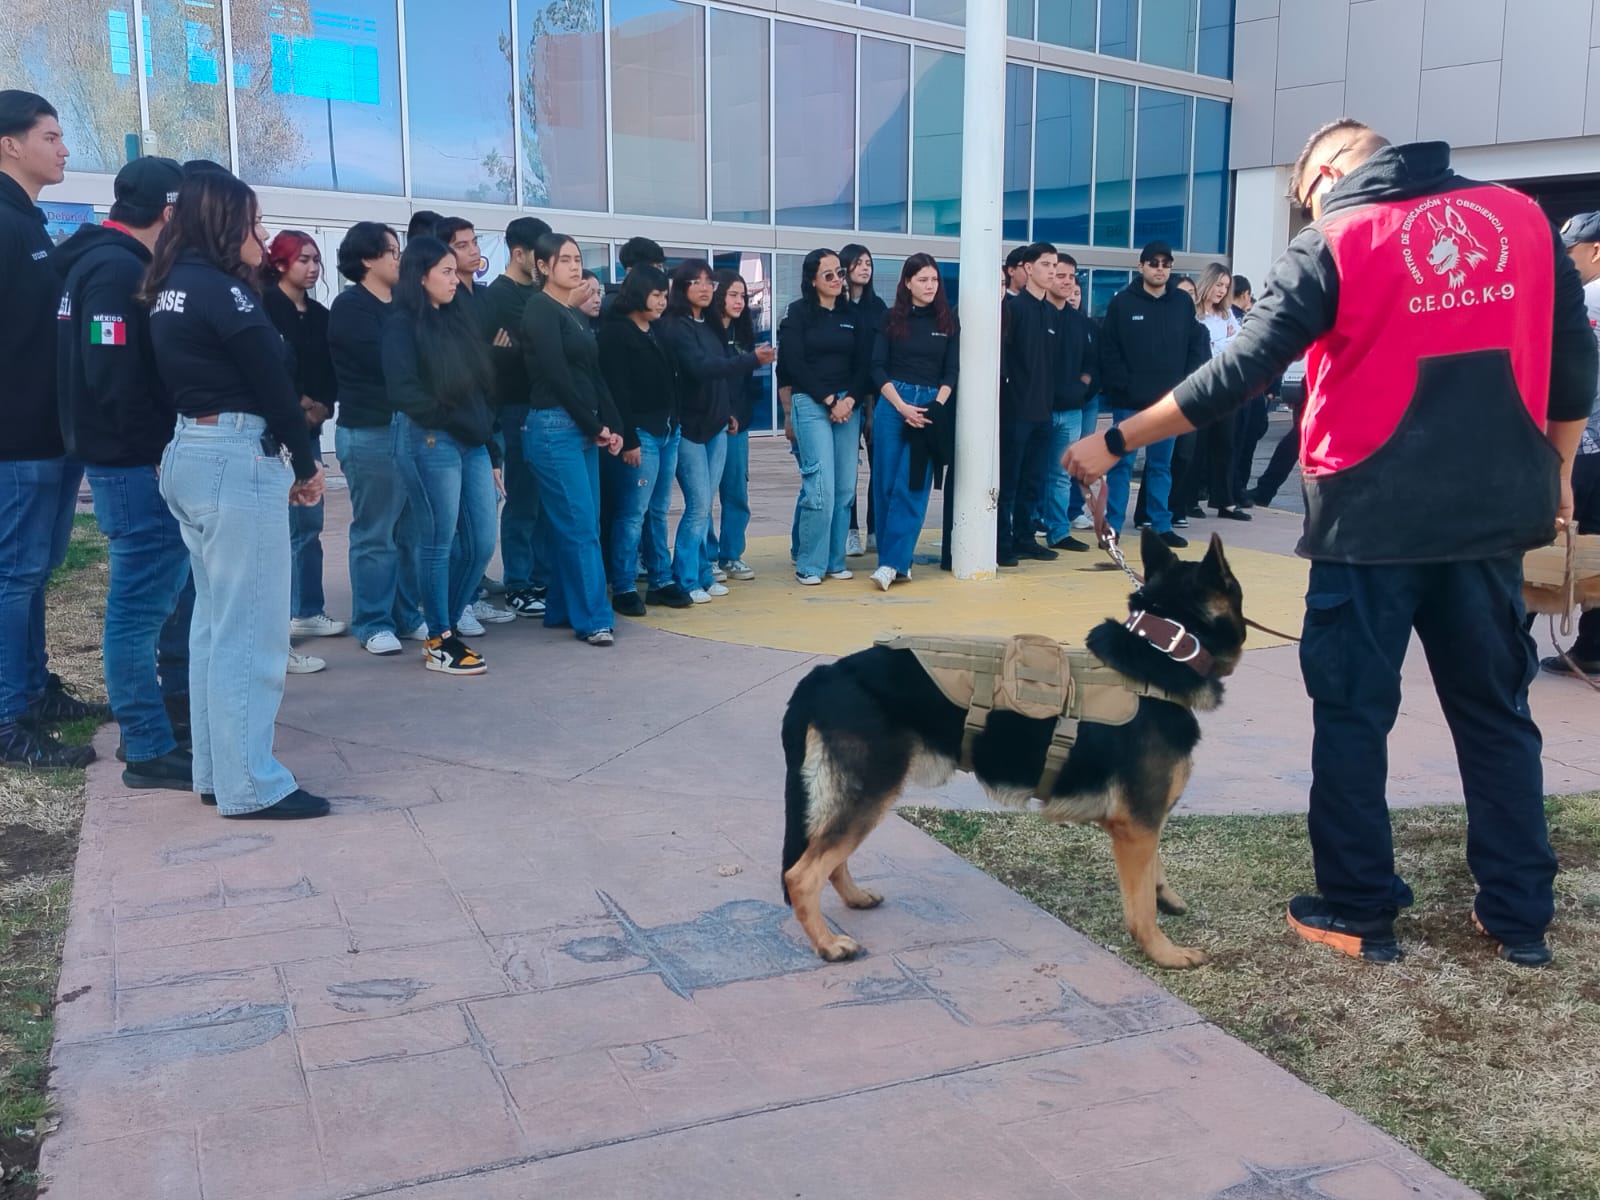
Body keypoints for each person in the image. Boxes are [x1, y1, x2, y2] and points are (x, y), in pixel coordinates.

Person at [1065, 119, 1597, 967]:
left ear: (1331, 169)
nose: (1307, 203)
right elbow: (1574, 366)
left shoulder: (1337, 238)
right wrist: (1560, 468)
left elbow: (1239, 375)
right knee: (1498, 718)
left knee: (1353, 717)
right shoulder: (1523, 219)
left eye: (1305, 189)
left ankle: (1355, 909)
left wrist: (1118, 439)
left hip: (1368, 520)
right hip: (1493, 517)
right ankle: (1519, 913)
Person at [144, 169, 328, 819]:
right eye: (253, 222)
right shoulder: (225, 292)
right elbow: (274, 386)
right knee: (250, 632)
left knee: (216, 629)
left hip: (192, 453)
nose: (263, 234)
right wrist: (307, 465)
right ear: (225, 222)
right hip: (233, 458)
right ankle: (251, 785)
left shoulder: (172, 286)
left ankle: (218, 775)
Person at [54, 155, 191, 788]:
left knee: (152, 604)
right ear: (169, 212)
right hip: (133, 466)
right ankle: (145, 745)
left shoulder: (109, 262)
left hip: (128, 460)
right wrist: (158, 451)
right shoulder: (114, 271)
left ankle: (159, 726)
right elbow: (112, 378)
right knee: (137, 611)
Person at [0, 90, 109, 770]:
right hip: (17, 440)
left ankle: (34, 691)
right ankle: (9, 717)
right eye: (51, 135)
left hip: (51, 435)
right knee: (14, 575)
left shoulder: (28, 222)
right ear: (10, 143)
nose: (65, 148)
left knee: (34, 573)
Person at [383, 236, 502, 675]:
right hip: (429, 441)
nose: (456, 279)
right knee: (437, 543)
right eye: (446, 272)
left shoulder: (456, 320)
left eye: (456, 271)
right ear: (421, 275)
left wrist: (488, 445)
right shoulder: (401, 324)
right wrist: (449, 418)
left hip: (471, 442)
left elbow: (479, 386)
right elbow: (404, 391)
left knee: (482, 541)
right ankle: (439, 638)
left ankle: (445, 625)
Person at [521, 232, 624, 646]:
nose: (574, 265)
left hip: (581, 429)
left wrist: (612, 425)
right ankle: (595, 618)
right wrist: (592, 425)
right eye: (564, 259)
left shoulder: (575, 313)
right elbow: (557, 376)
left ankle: (564, 609)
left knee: (580, 525)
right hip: (554, 429)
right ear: (543, 267)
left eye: (577, 258)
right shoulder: (539, 310)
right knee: (580, 526)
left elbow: (592, 374)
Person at [329, 222, 425, 657]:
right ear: (366, 258)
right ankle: (372, 621)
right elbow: (388, 361)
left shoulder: (404, 306)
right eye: (390, 250)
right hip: (370, 430)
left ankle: (407, 615)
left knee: (410, 531)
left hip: (408, 429)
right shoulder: (351, 306)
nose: (398, 258)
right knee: (376, 532)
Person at [658, 259, 773, 603]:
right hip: (690, 429)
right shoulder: (675, 326)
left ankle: (705, 574)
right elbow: (702, 369)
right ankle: (686, 578)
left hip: (717, 426)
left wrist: (728, 413)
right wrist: (753, 359)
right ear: (682, 287)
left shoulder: (710, 326)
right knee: (697, 507)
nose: (706, 288)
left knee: (706, 505)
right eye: (697, 282)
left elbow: (723, 375)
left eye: (709, 282)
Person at [262, 231, 347, 666]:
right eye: (303, 260)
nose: (312, 268)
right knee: (278, 528)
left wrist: (320, 407)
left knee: (309, 523)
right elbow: (267, 369)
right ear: (280, 264)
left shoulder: (320, 314)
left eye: (316, 260)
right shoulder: (263, 306)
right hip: (273, 432)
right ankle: (280, 621)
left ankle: (308, 608)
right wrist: (295, 405)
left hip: (311, 428)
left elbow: (329, 370)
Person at [1096, 240, 1209, 548]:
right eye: (1154, 263)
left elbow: (1194, 347)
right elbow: (1109, 349)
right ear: (1141, 266)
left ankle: (1161, 525)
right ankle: (1113, 527)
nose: (1160, 268)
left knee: (1161, 466)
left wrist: (1186, 386)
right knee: (1121, 466)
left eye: (1166, 264)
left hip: (1168, 405)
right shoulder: (1122, 303)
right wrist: (1123, 386)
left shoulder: (1182, 304)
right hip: (1129, 404)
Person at [868, 253, 958, 590]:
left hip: (932, 405)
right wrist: (902, 406)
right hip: (894, 402)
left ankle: (894, 563)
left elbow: (952, 371)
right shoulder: (890, 318)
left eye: (934, 279)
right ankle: (893, 562)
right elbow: (877, 367)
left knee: (914, 486)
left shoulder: (948, 321)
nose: (930, 285)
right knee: (887, 484)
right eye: (922, 279)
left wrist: (936, 406)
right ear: (907, 282)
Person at [778, 249, 868, 586]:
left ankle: (834, 560)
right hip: (813, 404)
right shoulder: (798, 314)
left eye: (840, 273)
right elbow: (793, 363)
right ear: (812, 279)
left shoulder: (852, 316)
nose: (836, 280)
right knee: (820, 489)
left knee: (845, 489)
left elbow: (863, 364)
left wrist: (850, 400)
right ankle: (810, 563)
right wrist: (830, 400)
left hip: (848, 406)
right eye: (828, 274)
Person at [597, 265, 684, 615]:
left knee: (659, 511)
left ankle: (661, 580)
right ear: (637, 294)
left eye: (665, 295)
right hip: (641, 434)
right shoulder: (615, 334)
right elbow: (616, 391)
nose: (663, 302)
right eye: (657, 295)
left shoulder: (658, 331)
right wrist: (629, 438)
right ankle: (623, 585)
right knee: (632, 513)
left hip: (668, 430)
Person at [484, 216, 552, 619]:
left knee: (543, 500)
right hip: (514, 408)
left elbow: (540, 343)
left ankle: (540, 577)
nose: (546, 264)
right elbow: (536, 346)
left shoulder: (539, 296)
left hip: (542, 407)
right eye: (540, 256)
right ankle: (519, 584)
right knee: (523, 498)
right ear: (519, 253)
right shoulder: (501, 295)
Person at [1545, 211, 1600, 677]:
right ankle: (1594, 646)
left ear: (1595, 250)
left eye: (1568, 252)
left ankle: (1504, 641)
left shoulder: (1581, 299)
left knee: (1551, 533)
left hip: (1584, 445)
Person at [998, 242, 1061, 566]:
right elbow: (1002, 360)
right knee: (1008, 480)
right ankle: (1002, 542)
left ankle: (1025, 538)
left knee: (1033, 480)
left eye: (1055, 265)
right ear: (1028, 267)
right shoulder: (1014, 309)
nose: (1052, 271)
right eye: (1047, 264)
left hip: (1042, 412)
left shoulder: (1050, 312)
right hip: (1015, 412)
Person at [1182, 262, 1249, 521]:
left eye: (1226, 286)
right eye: (1218, 284)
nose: (1221, 290)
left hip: (1225, 388)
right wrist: (1222, 343)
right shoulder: (1193, 313)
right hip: (1199, 387)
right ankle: (1190, 499)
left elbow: (1237, 347)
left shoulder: (1228, 314)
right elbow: (1206, 349)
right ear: (1207, 282)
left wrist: (1221, 344)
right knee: (1196, 447)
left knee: (1226, 444)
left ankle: (1225, 500)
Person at [708, 269, 763, 582]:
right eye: (733, 294)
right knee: (704, 496)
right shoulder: (706, 332)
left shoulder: (743, 335)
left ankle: (732, 554)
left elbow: (746, 384)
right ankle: (708, 556)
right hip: (708, 424)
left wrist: (740, 417)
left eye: (743, 295)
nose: (739, 301)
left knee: (736, 492)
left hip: (738, 426)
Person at [1041, 255, 1096, 554]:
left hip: (1072, 410)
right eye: (1060, 275)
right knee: (1033, 472)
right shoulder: (1039, 314)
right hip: (1039, 409)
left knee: (1061, 474)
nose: (1065, 281)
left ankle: (1059, 531)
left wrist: (1082, 385)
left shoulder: (1079, 321)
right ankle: (1026, 527)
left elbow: (1091, 359)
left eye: (1071, 277)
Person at [840, 244, 884, 557]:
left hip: (876, 397)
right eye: (858, 263)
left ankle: (875, 529)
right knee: (847, 471)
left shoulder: (878, 307)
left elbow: (876, 360)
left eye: (868, 263)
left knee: (879, 467)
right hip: (843, 398)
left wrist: (870, 409)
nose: (864, 268)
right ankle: (850, 530)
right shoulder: (837, 308)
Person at [1227, 275, 1270, 507]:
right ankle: (1237, 489)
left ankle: (1231, 489)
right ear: (1245, 295)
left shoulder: (1228, 317)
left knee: (1235, 443)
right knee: (1243, 444)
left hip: (1241, 391)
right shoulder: (1241, 319)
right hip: (1249, 391)